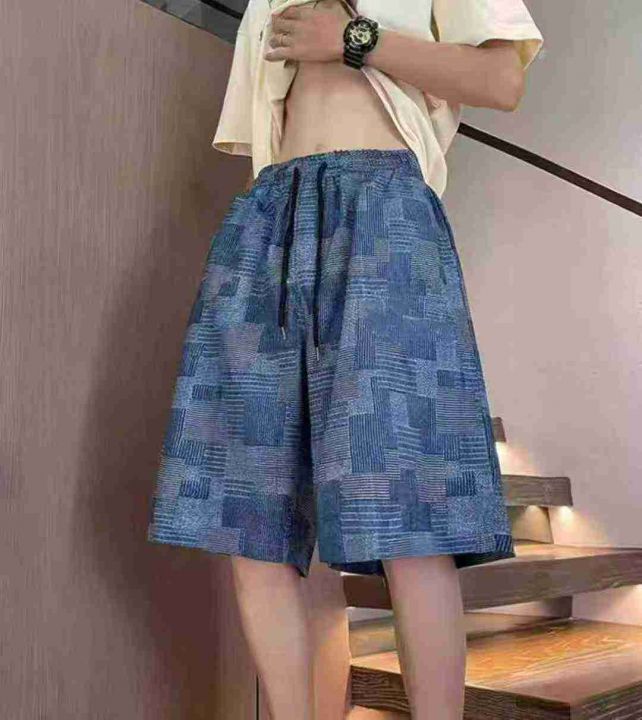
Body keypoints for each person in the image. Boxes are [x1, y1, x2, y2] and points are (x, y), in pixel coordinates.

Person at [147, 0, 544, 717]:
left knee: (411, 518)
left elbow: (501, 80)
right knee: (251, 516)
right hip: (271, 212)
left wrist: (355, 38)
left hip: (385, 209)